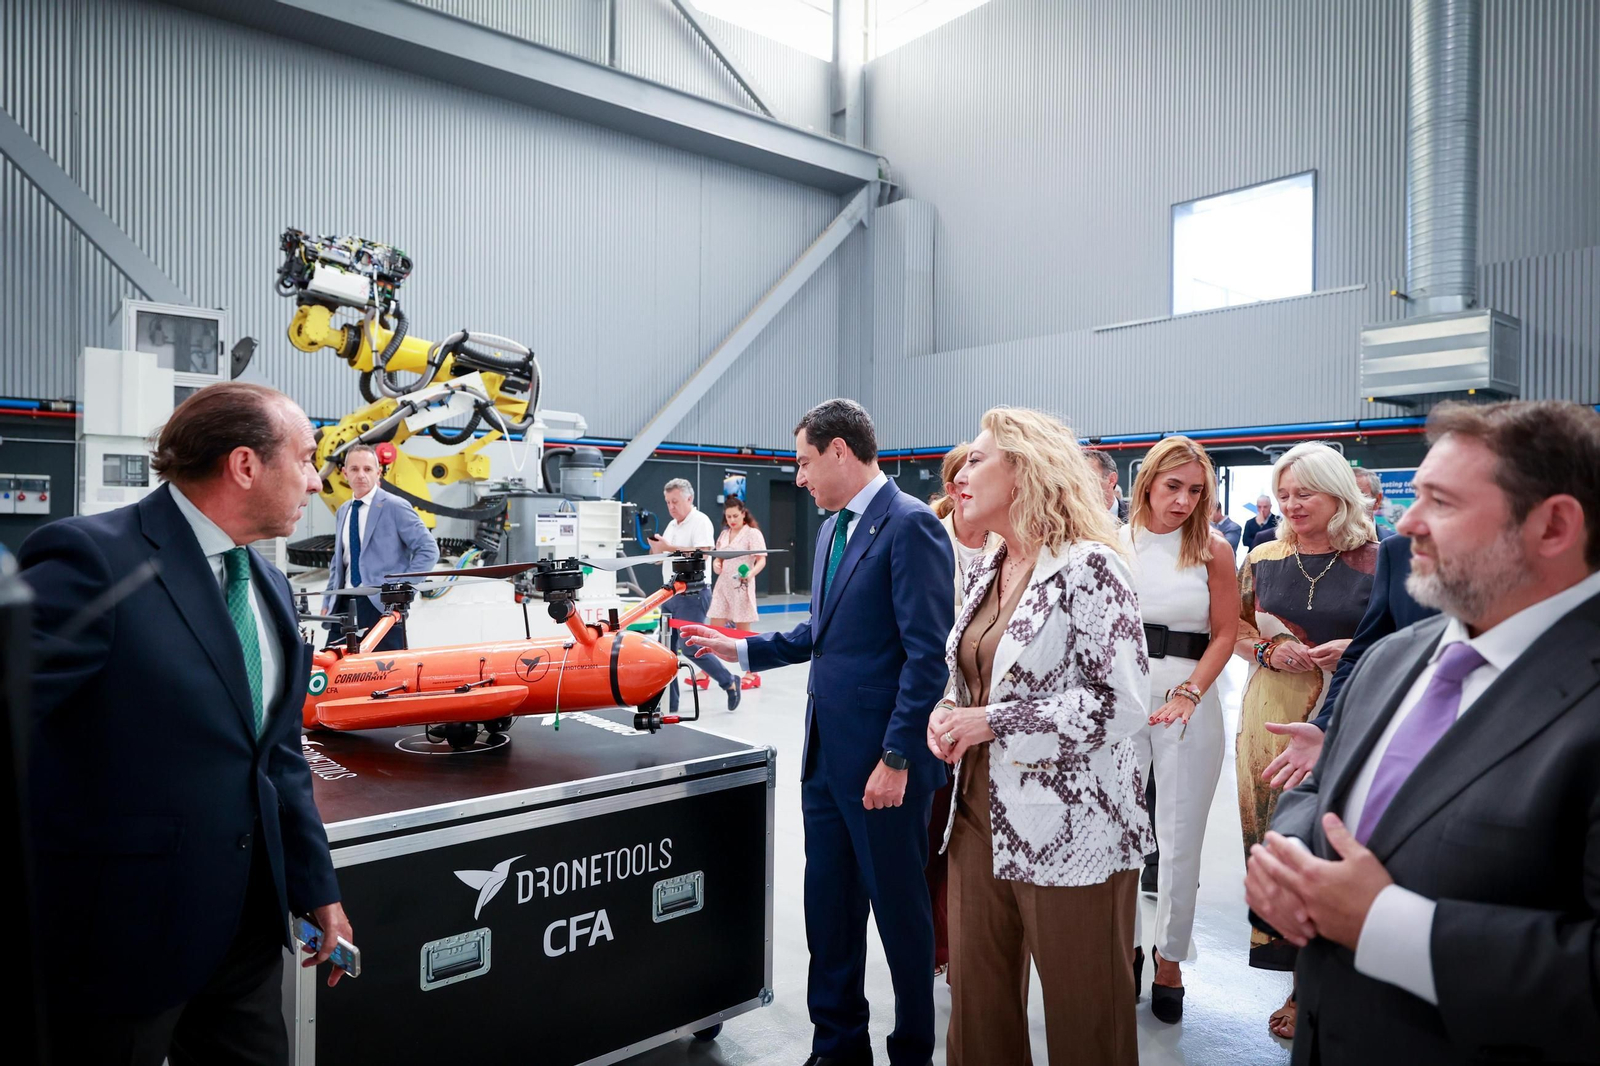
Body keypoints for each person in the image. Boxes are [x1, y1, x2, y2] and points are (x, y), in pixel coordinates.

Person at [1248, 400, 1600, 1064]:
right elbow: (1320, 786)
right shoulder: (1395, 656)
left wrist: (1388, 927)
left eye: (1439, 501)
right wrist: (1289, 860)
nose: (1406, 523)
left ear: (1554, 525)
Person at [20, 382, 351, 1065]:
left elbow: (277, 754)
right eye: (308, 457)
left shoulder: (267, 585)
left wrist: (316, 888)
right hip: (119, 941)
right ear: (245, 465)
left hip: (245, 931)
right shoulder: (93, 559)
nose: (318, 480)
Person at [683, 399, 953, 1066]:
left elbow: (926, 658)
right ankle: (837, 1047)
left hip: (883, 770)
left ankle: (912, 1050)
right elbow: (821, 637)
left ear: (840, 451)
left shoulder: (910, 527)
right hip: (825, 761)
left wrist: (896, 757)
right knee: (828, 915)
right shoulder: (834, 531)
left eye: (804, 462)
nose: (799, 478)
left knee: (900, 919)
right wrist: (740, 650)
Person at [927, 407, 1150, 1066]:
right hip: (977, 816)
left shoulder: (1090, 566)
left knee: (1088, 1016)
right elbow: (974, 672)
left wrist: (993, 721)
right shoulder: (993, 562)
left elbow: (1123, 704)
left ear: (1024, 470)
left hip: (1073, 828)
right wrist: (949, 709)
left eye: (977, 459)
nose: (960, 472)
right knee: (978, 1009)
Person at [1233, 441, 1378, 1039]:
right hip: (1268, 714)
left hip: (1344, 714)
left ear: (1337, 492)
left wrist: (1353, 651)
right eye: (1284, 493)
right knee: (1269, 835)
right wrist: (1268, 648)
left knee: (1329, 837)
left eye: (1304, 493)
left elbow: (1398, 634)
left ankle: (1312, 985)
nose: (1291, 504)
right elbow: (1234, 629)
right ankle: (1286, 967)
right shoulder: (1263, 556)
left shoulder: (1377, 560)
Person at [1120, 438, 1241, 1023]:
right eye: (1174, 487)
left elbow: (1225, 632)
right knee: (1116, 835)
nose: (1184, 501)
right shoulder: (1111, 542)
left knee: (1179, 835)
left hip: (1188, 696)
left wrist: (1192, 692)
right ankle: (1126, 950)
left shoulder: (1213, 550)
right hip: (1120, 698)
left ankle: (1170, 961)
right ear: (1147, 483)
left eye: (1196, 490)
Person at [1258, 535, 1438, 793]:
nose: (1408, 520)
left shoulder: (1373, 556)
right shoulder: (1399, 551)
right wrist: (1326, 726)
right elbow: (1361, 653)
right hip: (1401, 739)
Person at [926, 443, 999, 979]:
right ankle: (938, 946)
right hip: (939, 702)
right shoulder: (931, 537)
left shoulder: (1006, 546)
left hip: (990, 709)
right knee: (934, 833)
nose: (962, 486)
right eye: (957, 476)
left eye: (972, 474)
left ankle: (969, 943)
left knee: (978, 833)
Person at [320, 442, 439, 651]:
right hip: (343, 605)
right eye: (354, 469)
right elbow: (338, 561)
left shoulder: (395, 506)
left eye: (367, 469)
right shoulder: (344, 510)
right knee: (335, 671)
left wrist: (400, 589)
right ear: (344, 473)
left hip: (379, 604)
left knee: (385, 672)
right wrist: (328, 600)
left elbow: (428, 549)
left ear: (378, 473)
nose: (361, 475)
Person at [649, 477, 741, 711]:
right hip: (669, 595)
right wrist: (657, 550)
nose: (671, 507)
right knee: (664, 652)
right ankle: (671, 704)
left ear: (689, 499)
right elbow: (663, 559)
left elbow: (705, 551)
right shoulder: (672, 526)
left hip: (693, 595)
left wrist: (668, 548)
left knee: (690, 647)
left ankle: (729, 682)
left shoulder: (700, 522)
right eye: (668, 502)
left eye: (675, 501)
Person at [708, 497, 766, 631]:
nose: (732, 520)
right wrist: (716, 563)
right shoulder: (724, 534)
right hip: (723, 585)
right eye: (728, 517)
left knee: (742, 630)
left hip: (741, 584)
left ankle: (743, 652)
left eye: (735, 516)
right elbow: (719, 557)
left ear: (743, 514)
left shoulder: (752, 533)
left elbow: (761, 560)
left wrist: (751, 574)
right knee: (715, 624)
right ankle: (715, 651)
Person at [1352, 467, 1396, 541]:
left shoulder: (1397, 544)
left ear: (1377, 500)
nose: (1350, 502)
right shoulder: (1328, 545)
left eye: (1360, 496)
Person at [1090, 447, 1128, 522]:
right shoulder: (1070, 523)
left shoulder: (1139, 518)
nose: (1081, 486)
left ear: (1111, 480)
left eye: (1090, 478)